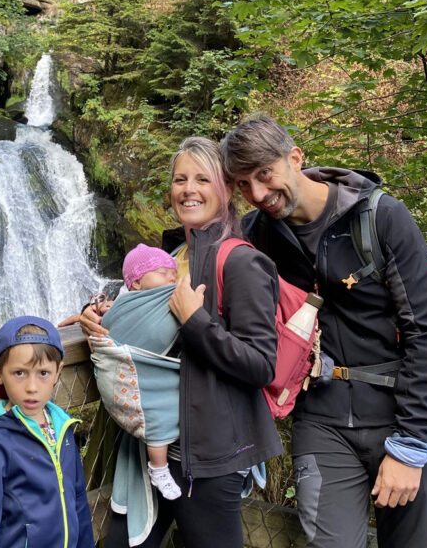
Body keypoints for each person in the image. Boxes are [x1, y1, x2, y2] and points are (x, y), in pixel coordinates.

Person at [220, 116, 427, 548]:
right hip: (321, 417)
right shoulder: (258, 235)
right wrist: (119, 301)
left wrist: (410, 445)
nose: (257, 194)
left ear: (295, 158)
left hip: (400, 414)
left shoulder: (380, 217)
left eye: (264, 175)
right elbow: (187, 260)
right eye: (242, 184)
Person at [80, 137, 283, 548]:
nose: (188, 188)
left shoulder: (242, 261)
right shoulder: (171, 254)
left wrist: (196, 320)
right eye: (180, 179)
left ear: (225, 189)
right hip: (152, 447)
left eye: (202, 178)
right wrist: (104, 314)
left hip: (208, 455)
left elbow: (262, 364)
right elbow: (141, 314)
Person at [0, 315, 95, 548]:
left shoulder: (62, 429)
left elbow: (78, 503)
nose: (32, 387)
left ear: (57, 372)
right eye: (19, 373)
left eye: (43, 373)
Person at [90, 243, 182, 500]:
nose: (171, 277)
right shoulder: (124, 303)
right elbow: (112, 326)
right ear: (137, 284)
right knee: (156, 417)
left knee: (164, 408)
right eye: (162, 272)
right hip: (127, 374)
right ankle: (159, 468)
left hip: (157, 376)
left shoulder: (170, 297)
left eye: (173, 272)